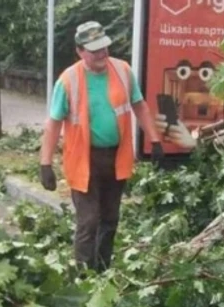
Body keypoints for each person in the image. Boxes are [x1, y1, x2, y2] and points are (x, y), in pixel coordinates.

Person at [39, 21, 163, 273]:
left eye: (104, 48)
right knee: (89, 221)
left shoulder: (122, 70)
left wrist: (155, 139)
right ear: (80, 51)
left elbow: (139, 105)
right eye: (95, 50)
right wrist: (45, 163)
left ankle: (102, 271)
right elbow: (53, 124)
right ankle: (83, 276)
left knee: (110, 219)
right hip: (83, 161)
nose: (102, 54)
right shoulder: (68, 80)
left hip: (116, 158)